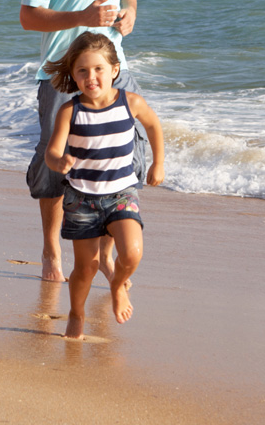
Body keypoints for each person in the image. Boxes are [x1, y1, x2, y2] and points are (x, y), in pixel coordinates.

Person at [20, 0, 145, 283]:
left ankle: (105, 252)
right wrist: (82, 18)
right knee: (56, 164)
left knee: (121, 158)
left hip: (115, 69)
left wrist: (131, 13)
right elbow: (28, 16)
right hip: (62, 73)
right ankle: (51, 251)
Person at [43, 32, 164, 339]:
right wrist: (59, 163)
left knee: (132, 253)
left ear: (114, 70)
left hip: (121, 193)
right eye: (82, 71)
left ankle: (117, 284)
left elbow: (153, 125)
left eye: (98, 69)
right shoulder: (70, 111)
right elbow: (52, 152)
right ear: (73, 75)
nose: (91, 77)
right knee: (86, 267)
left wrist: (158, 162)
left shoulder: (131, 103)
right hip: (81, 198)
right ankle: (76, 313)